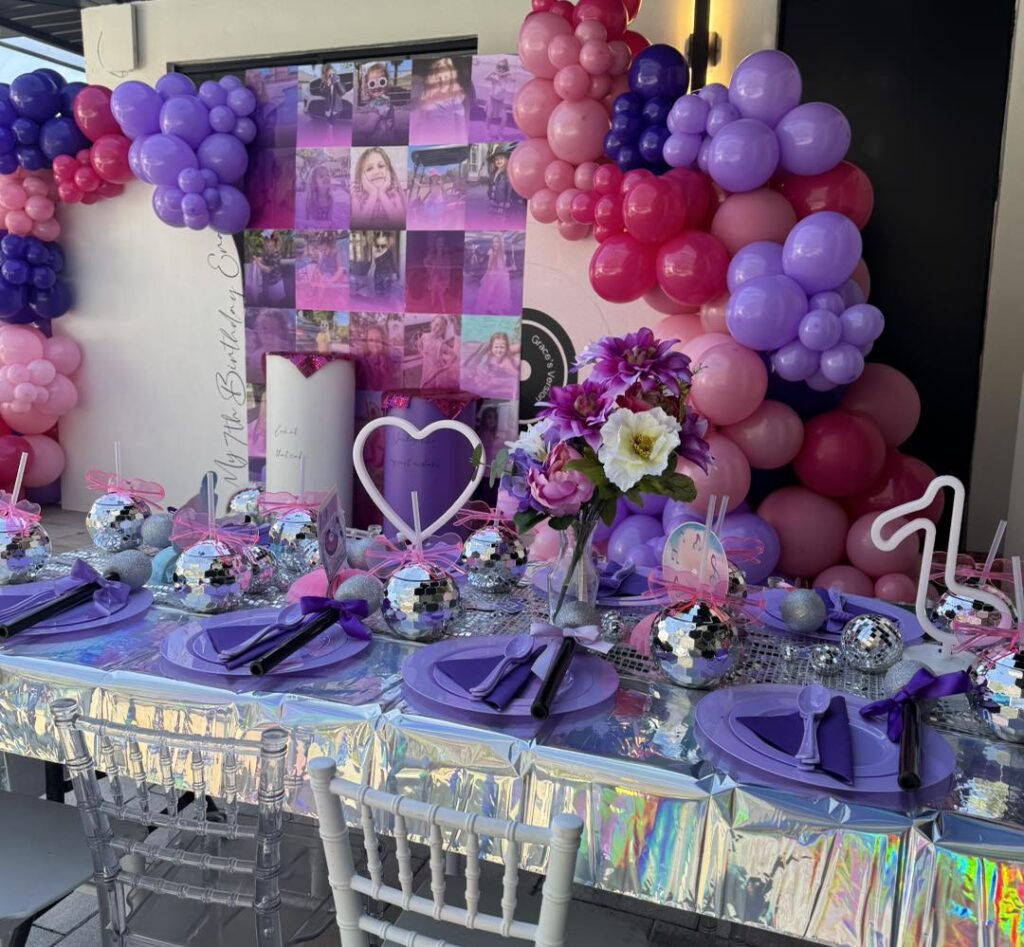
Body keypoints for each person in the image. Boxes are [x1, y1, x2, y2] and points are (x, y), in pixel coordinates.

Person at [352, 147, 405, 229]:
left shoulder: (394, 192)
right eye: (369, 169)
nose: (376, 172)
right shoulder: (357, 195)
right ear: (361, 176)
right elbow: (358, 225)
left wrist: (382, 193)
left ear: (389, 171)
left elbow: (400, 223)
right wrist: (373, 194)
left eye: (381, 166)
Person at [416, 57, 467, 142]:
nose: (443, 82)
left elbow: (461, 129)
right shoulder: (426, 99)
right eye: (439, 78)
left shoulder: (455, 99)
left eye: (446, 78)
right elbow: (421, 128)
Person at [465, 330, 519, 398]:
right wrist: (475, 366)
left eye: (502, 347)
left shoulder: (507, 362)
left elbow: (516, 377)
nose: (499, 350)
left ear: (506, 347)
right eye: (496, 347)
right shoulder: (490, 355)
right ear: (491, 347)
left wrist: (514, 395)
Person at [246, 309, 291, 383]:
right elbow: (252, 377)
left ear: (282, 331)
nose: (269, 333)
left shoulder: (290, 351)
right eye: (264, 328)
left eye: (273, 328)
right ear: (258, 331)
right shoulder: (255, 356)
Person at [475, 234, 513, 314]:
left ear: (501, 243)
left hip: (501, 278)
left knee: (499, 295)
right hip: (493, 277)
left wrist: (510, 268)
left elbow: (503, 267)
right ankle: (489, 308)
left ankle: (496, 309)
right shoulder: (492, 252)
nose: (495, 244)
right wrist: (485, 276)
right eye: (493, 242)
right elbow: (489, 267)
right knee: (489, 294)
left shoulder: (503, 255)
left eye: (497, 242)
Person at [360, 62, 396, 144]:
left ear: (387, 84)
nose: (377, 86)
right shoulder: (375, 102)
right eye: (372, 83)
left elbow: (368, 127)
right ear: (368, 86)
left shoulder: (384, 103)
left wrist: (359, 128)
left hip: (382, 140)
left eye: (381, 82)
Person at [418, 315, 458, 388]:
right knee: (425, 386)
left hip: (437, 372)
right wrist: (422, 353)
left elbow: (454, 356)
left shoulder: (440, 344)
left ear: (443, 331)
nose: (438, 329)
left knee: (434, 388)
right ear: (431, 323)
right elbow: (419, 344)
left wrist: (446, 366)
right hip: (426, 368)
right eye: (436, 325)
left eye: (441, 328)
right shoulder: (424, 336)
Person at [303, 162, 346, 229]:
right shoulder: (310, 200)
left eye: (327, 175)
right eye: (321, 176)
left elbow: (330, 219)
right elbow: (306, 221)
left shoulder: (330, 199)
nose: (326, 177)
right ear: (314, 182)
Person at [486, 147, 523, 225]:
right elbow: (490, 184)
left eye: (501, 158)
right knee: (492, 217)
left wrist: (508, 201)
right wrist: (489, 192)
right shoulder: (493, 173)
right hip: (493, 200)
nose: (499, 161)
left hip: (501, 202)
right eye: (497, 159)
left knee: (500, 219)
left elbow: (509, 188)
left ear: (506, 160)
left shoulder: (507, 173)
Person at [358, 322, 398, 389]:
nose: (374, 343)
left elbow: (392, 384)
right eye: (371, 340)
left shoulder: (388, 361)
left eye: (378, 340)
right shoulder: (362, 363)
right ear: (366, 342)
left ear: (383, 342)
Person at [253, 233, 286, 305]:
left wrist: (258, 263)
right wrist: (259, 260)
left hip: (276, 286)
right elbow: (265, 260)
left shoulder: (276, 255)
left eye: (268, 241)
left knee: (275, 305)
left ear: (274, 242)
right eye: (266, 242)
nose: (266, 244)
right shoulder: (269, 253)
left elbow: (268, 270)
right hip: (270, 285)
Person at [484, 59, 513, 138]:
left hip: (501, 102)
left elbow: (514, 80)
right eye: (499, 67)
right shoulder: (495, 77)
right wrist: (492, 72)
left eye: (503, 67)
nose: (501, 69)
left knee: (504, 118)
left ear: (506, 68)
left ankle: (500, 132)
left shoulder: (506, 78)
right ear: (497, 67)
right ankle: (487, 131)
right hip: (492, 100)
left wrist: (507, 74)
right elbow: (485, 78)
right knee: (489, 117)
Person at [423, 232, 452, 312]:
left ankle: (443, 309)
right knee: (433, 291)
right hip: (434, 276)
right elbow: (425, 261)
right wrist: (429, 267)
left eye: (442, 242)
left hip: (441, 276)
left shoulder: (445, 255)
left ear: (444, 244)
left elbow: (448, 269)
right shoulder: (432, 254)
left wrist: (446, 280)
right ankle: (433, 304)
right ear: (436, 243)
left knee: (440, 293)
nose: (440, 244)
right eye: (438, 242)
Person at [366, 231, 399, 303]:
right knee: (378, 294)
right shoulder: (375, 251)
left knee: (386, 295)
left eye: (383, 246)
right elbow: (373, 264)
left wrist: (394, 273)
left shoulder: (389, 252)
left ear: (387, 244)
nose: (380, 248)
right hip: (377, 276)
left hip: (386, 276)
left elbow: (393, 263)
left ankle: (386, 305)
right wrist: (369, 273)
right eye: (378, 245)